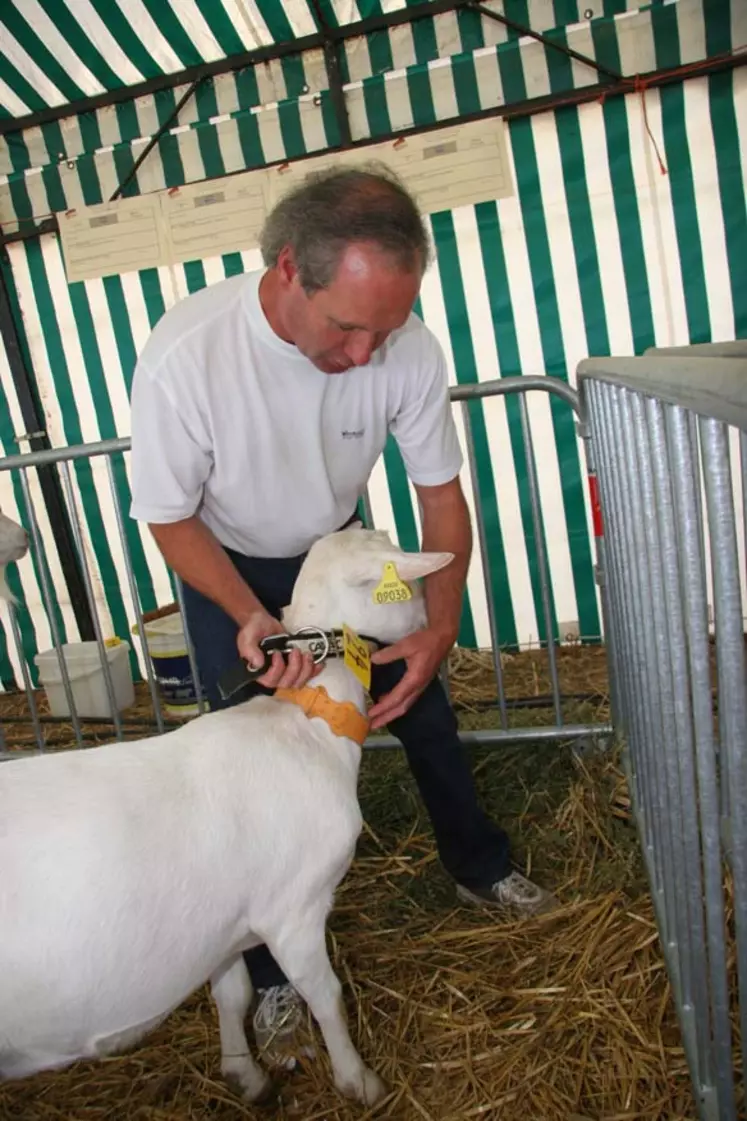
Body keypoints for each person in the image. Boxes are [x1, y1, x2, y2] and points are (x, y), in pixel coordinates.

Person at [129, 163, 556, 1066]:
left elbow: (441, 497)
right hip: (231, 564)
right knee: (239, 755)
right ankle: (274, 983)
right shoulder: (187, 354)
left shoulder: (408, 346)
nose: (367, 353)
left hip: (340, 549)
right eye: (346, 327)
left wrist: (436, 629)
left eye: (386, 328)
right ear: (289, 270)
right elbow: (168, 513)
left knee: (424, 708)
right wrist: (250, 612)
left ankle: (479, 864)